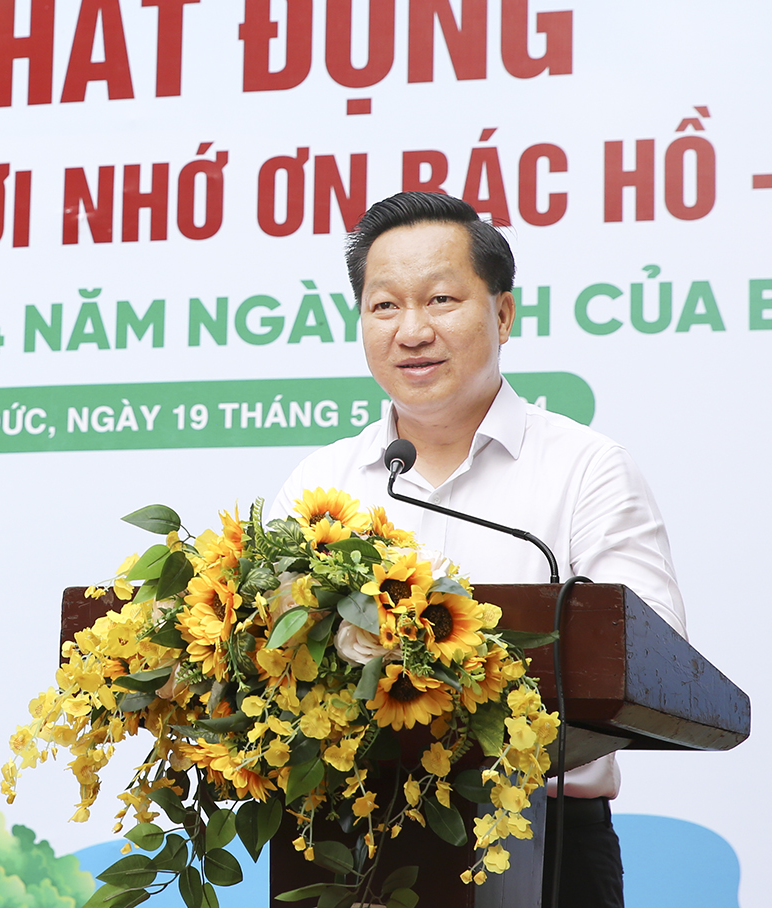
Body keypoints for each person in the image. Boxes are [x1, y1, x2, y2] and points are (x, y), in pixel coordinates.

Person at [270, 191, 686, 908]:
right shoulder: (320, 484)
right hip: (345, 837)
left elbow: (650, 655)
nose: (412, 331)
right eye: (384, 306)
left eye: (440, 299)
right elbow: (262, 651)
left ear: (502, 313)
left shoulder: (586, 468)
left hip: (545, 841)